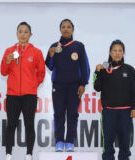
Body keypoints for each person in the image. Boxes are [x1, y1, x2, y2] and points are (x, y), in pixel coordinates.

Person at [0, 22, 45, 160]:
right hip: (13, 95)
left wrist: (32, 86)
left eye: (26, 32)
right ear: (16, 34)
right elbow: (3, 72)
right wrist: (7, 61)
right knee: (11, 125)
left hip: (29, 95)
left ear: (30, 34)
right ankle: (8, 154)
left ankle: (29, 154)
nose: (23, 34)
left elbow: (41, 73)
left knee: (29, 124)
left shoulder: (36, 52)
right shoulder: (9, 51)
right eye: (20, 31)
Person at [45, 19, 90, 152]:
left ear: (72, 29)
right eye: (63, 27)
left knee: (72, 114)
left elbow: (85, 66)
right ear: (60, 29)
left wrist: (83, 83)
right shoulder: (54, 46)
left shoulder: (79, 46)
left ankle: (70, 141)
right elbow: (49, 65)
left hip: (74, 86)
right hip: (58, 86)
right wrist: (51, 55)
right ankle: (59, 141)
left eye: (69, 27)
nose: (66, 29)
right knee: (58, 114)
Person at [93, 40, 135, 160]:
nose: (117, 53)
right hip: (109, 112)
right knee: (107, 145)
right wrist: (97, 72)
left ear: (123, 53)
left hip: (126, 112)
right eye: (114, 50)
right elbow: (97, 88)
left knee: (125, 145)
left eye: (120, 50)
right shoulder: (103, 69)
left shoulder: (130, 69)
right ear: (110, 52)